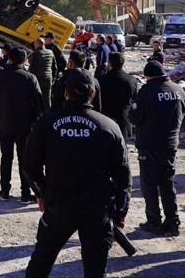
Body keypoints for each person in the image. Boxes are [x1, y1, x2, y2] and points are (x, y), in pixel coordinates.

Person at [23, 69, 130, 278]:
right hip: (96, 209)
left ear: (65, 93)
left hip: (58, 206)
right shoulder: (109, 126)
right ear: (93, 94)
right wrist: (120, 210)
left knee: (41, 260)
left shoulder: (45, 124)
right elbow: (123, 173)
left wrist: (41, 193)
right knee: (95, 267)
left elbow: (29, 167)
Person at [128, 60, 185, 236]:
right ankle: (173, 221)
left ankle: (153, 221)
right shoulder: (178, 90)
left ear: (148, 76)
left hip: (149, 146)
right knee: (167, 183)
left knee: (149, 185)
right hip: (170, 145)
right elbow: (184, 114)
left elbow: (134, 118)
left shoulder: (147, 92)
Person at [0, 46, 44, 203]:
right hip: (24, 125)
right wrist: (34, 120)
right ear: (24, 60)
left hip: (4, 122)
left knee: (6, 157)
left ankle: (4, 191)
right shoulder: (30, 78)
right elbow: (39, 104)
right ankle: (25, 193)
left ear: (9, 58)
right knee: (24, 159)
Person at [98, 52, 139, 139]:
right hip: (125, 122)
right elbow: (135, 102)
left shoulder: (102, 80)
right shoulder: (132, 80)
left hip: (106, 121)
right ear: (122, 64)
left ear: (109, 64)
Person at [28, 37, 55, 113]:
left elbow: (32, 69)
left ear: (37, 44)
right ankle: (49, 117)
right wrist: (53, 79)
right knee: (47, 99)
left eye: (34, 43)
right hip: (48, 79)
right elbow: (54, 67)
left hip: (38, 79)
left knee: (35, 99)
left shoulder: (35, 54)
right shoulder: (50, 52)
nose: (34, 44)